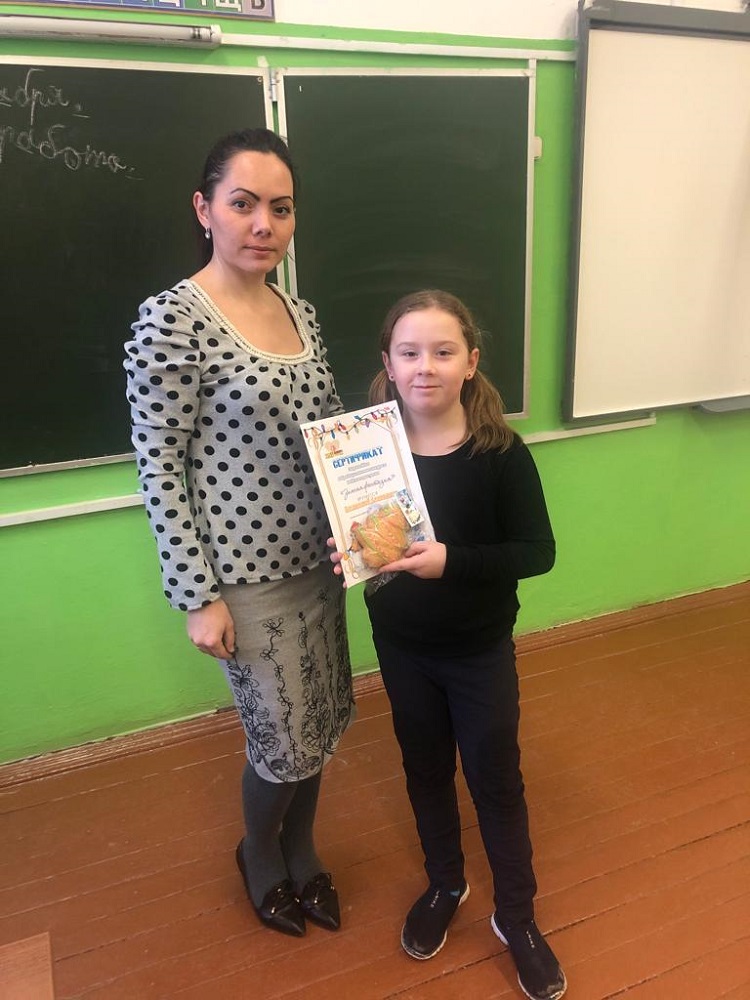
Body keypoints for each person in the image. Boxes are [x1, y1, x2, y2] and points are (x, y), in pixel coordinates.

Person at [124, 127, 354, 939]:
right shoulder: (173, 319)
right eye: (244, 203)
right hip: (245, 580)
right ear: (205, 209)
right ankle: (259, 851)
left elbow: (333, 432)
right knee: (280, 737)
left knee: (319, 720)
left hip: (323, 561)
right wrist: (197, 595)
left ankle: (304, 849)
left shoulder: (300, 311)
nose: (264, 224)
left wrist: (371, 524)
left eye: (280, 209)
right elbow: (160, 468)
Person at [331, 290, 566, 999]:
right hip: (403, 647)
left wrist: (451, 561)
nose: (424, 367)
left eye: (442, 352)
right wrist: (347, 550)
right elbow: (364, 540)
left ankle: (516, 916)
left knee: (496, 778)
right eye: (409, 353)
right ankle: (446, 883)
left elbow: (538, 551)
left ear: (471, 362)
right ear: (387, 363)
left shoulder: (499, 453)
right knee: (425, 767)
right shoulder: (364, 454)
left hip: (478, 649)